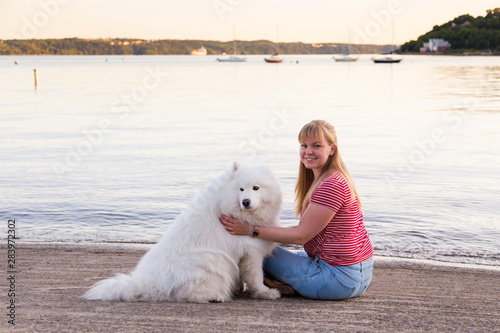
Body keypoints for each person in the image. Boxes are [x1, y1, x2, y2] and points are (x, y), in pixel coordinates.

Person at [219, 120, 374, 300]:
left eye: (316, 146)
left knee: (255, 250)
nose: (308, 151)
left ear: (331, 149)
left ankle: (279, 282)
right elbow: (307, 229)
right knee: (266, 245)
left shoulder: (330, 186)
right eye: (304, 145)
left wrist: (250, 230)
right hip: (356, 274)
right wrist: (259, 233)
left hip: (337, 280)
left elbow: (302, 236)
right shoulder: (333, 178)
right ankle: (284, 283)